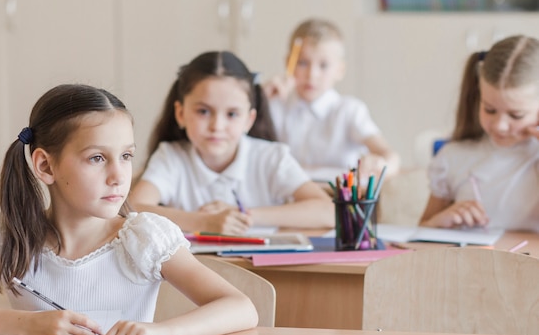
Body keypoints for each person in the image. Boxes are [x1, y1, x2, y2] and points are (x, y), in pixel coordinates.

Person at [0, 84, 258, 335]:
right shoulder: (11, 235)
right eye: (97, 158)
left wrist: (160, 332)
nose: (118, 176)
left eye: (126, 156)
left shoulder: (143, 237)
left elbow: (240, 308)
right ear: (45, 166)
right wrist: (27, 325)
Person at [129, 51, 334, 235]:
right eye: (203, 111)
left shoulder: (271, 157)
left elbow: (328, 212)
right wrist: (205, 222)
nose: (217, 125)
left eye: (232, 114)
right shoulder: (171, 157)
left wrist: (242, 215)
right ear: (180, 113)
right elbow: (133, 207)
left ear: (249, 120)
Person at [419, 35, 539, 231]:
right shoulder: (452, 158)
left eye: (516, 115)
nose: (500, 126)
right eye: (490, 110)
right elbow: (418, 238)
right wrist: (438, 222)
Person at [264, 18, 400, 181]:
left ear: (340, 70)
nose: (311, 75)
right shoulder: (274, 104)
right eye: (302, 63)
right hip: (287, 196)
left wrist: (382, 164)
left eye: (323, 65)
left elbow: (389, 155)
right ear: (288, 63)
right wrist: (259, 99)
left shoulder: (349, 110)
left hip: (337, 198)